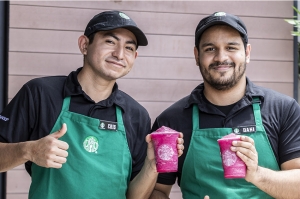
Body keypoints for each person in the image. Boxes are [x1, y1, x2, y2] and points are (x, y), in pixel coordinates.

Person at [0, 10, 184, 199]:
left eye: (129, 48)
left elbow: (135, 197)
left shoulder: (136, 115)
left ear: (134, 58)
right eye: (110, 42)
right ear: (84, 44)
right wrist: (29, 151)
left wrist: (151, 166)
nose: (119, 54)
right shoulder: (41, 93)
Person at [149, 11, 300, 199]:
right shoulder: (172, 120)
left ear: (247, 53)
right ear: (197, 55)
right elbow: (157, 191)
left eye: (231, 47)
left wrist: (257, 175)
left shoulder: (282, 109)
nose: (221, 57)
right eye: (210, 49)